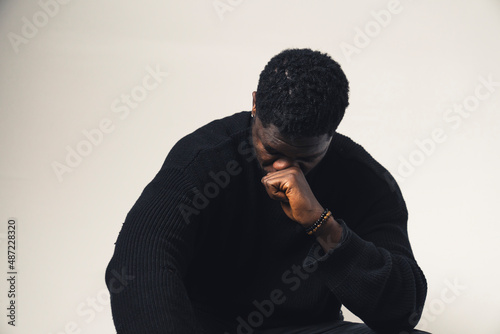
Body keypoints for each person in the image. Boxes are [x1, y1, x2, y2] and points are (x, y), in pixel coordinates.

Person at [105, 48, 429, 334]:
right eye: (271, 150)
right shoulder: (204, 159)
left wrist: (322, 225)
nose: (283, 170)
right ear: (255, 104)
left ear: (332, 132)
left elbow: (404, 310)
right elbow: (138, 263)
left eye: (305, 159)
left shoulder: (364, 181)